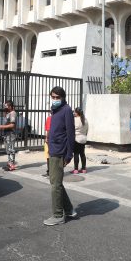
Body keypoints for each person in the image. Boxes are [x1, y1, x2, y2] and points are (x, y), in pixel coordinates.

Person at [43, 86, 76, 226]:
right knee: (56, 182)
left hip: (59, 151)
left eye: (58, 97)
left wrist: (69, 154)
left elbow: (70, 133)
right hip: (53, 149)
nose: (55, 100)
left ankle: (58, 215)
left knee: (55, 184)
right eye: (53, 97)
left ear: (63, 97)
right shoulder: (55, 110)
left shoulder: (66, 110)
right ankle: (68, 210)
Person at [0, 100, 18, 171]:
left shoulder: (13, 113)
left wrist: (2, 127)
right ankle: (9, 163)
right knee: (8, 149)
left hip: (11, 134)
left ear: (10, 106)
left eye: (6, 106)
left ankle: (12, 165)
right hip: (7, 134)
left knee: (11, 149)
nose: (5, 107)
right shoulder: (8, 113)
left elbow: (12, 125)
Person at [72, 107, 88, 174]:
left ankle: (76, 169)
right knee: (82, 154)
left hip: (77, 138)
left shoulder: (75, 120)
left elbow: (72, 129)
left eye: (74, 112)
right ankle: (84, 169)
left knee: (76, 154)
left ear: (77, 113)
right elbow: (87, 130)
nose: (73, 113)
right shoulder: (85, 120)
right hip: (84, 138)